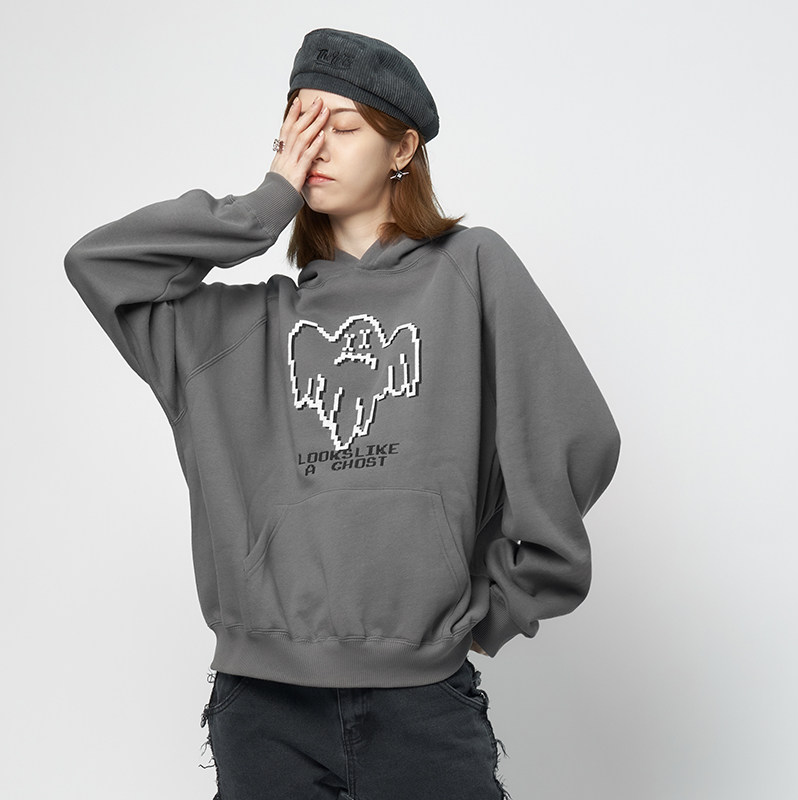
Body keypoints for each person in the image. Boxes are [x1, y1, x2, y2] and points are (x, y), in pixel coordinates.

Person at [64, 27, 621, 800]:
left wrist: (497, 605)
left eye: (343, 126)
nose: (316, 148)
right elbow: (98, 264)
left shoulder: (471, 272)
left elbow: (579, 437)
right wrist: (263, 207)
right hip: (265, 715)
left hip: (423, 705)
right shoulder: (234, 331)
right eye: (300, 126)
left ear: (403, 147)